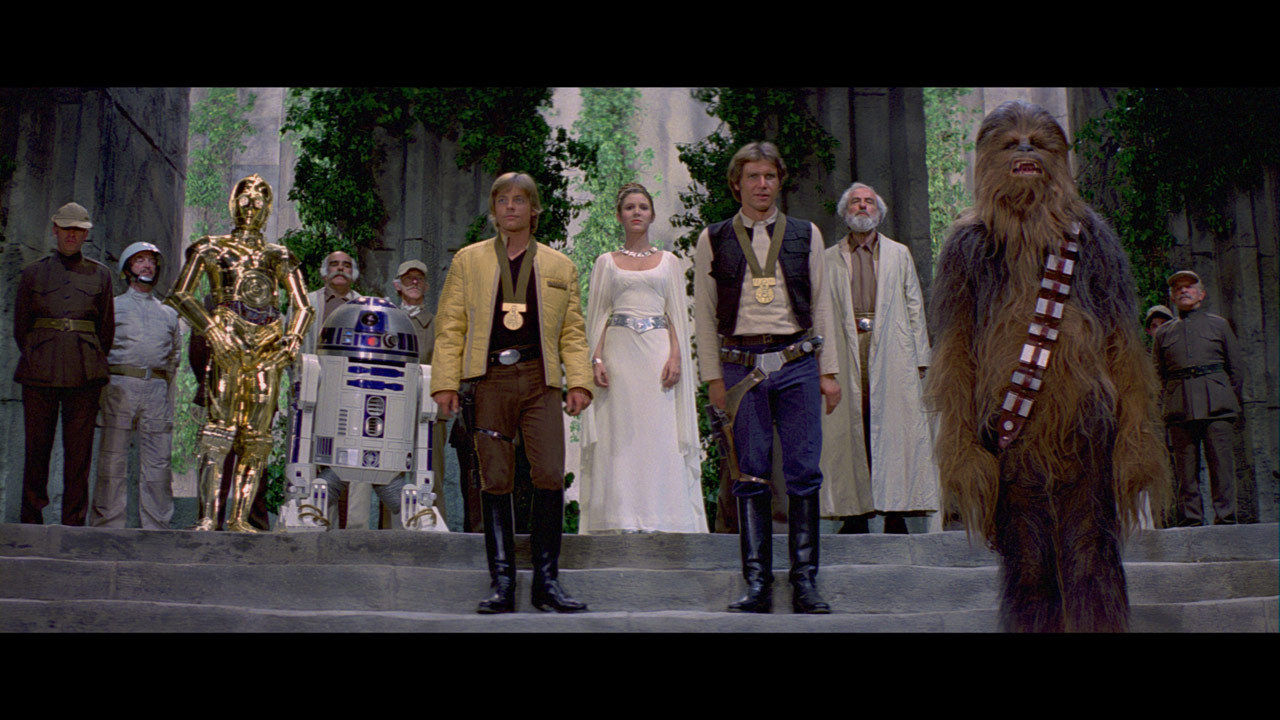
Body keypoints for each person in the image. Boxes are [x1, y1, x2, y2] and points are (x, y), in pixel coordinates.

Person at [431, 171, 592, 614]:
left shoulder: (560, 265)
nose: (511, 207)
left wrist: (579, 381)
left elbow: (573, 332)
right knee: (495, 478)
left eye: (520, 200)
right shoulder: (469, 260)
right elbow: (450, 325)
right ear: (494, 209)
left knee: (549, 474)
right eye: (503, 200)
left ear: (533, 209)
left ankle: (547, 583)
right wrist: (445, 382)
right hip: (490, 380)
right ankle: (502, 583)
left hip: (541, 379)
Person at [693, 141, 841, 614]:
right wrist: (713, 378)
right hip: (740, 368)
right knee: (749, 473)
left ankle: (805, 583)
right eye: (753, 177)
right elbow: (704, 314)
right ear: (737, 184)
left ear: (780, 182)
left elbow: (822, 304)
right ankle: (756, 583)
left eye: (770, 177)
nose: (762, 185)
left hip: (797, 362)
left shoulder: (805, 234)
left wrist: (829, 371)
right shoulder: (713, 238)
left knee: (804, 471)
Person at [166, 174, 314, 532]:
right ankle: (207, 517)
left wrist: (292, 340)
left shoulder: (279, 255)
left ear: (269, 207)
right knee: (218, 432)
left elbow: (303, 305)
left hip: (267, 345)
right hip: (227, 341)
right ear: (233, 202)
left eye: (260, 197)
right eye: (244, 196)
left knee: (257, 437)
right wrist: (212, 329)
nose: (252, 203)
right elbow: (180, 294)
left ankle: (240, 518)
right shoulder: (211, 248)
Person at [579, 183, 706, 534]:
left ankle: (664, 517)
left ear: (652, 215)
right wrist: (596, 360)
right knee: (619, 433)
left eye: (643, 207)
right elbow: (598, 315)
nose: (637, 212)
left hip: (657, 356)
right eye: (630, 207)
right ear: (619, 216)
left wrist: (676, 356)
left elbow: (676, 315)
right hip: (618, 358)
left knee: (659, 433)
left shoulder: (669, 262)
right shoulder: (606, 263)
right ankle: (618, 517)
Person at [818, 183, 938, 535]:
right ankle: (854, 513)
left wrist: (921, 358)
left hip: (892, 348)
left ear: (879, 212)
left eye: (868, 201)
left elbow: (914, 304)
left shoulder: (899, 254)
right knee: (852, 427)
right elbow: (820, 310)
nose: (862, 206)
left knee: (892, 429)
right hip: (846, 345)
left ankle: (895, 511)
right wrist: (823, 361)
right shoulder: (828, 258)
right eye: (855, 202)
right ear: (845, 212)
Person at [15, 202, 115, 525]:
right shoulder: (33, 273)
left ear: (86, 235)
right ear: (55, 230)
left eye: (78, 230)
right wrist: (39, 353)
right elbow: (21, 327)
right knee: (36, 449)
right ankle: (31, 520)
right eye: (66, 228)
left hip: (84, 372)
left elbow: (106, 330)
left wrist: (90, 357)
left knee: (79, 454)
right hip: (40, 370)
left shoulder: (101, 275)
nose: (71, 235)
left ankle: (74, 523)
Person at [88, 242, 182, 529]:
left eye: (151, 260)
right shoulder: (113, 307)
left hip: (156, 388)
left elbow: (174, 355)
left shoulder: (169, 314)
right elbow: (100, 347)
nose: (147, 265)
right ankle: (108, 525)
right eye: (140, 260)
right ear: (128, 268)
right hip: (120, 386)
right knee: (112, 459)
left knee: (158, 461)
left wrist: (159, 381)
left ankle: (157, 526)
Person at [1154, 270, 1244, 526]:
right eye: (1178, 288)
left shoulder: (1219, 325)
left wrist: (1224, 396)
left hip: (1217, 404)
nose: (1184, 291)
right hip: (1180, 407)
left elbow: (1236, 369)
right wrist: (1167, 403)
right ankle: (1191, 521)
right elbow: (1158, 374)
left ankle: (1225, 518)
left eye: (1189, 287)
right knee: (1185, 470)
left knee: (1222, 466)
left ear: (1201, 294)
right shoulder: (1163, 333)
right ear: (1172, 298)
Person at [295, 249, 373, 528]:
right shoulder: (306, 303)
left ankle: (354, 530)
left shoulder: (367, 307)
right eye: (334, 264)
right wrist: (299, 384)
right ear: (324, 272)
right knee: (310, 458)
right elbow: (293, 346)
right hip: (314, 393)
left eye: (346, 265)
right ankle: (312, 521)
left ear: (354, 273)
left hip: (354, 397)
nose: (340, 269)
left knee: (354, 462)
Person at [391, 258, 447, 527]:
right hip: (393, 408)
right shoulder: (389, 321)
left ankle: (433, 530)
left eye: (419, 279)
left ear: (426, 287)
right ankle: (392, 534)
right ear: (397, 285)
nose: (414, 282)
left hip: (429, 409)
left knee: (431, 474)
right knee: (391, 474)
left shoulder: (438, 325)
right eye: (408, 278)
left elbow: (445, 366)